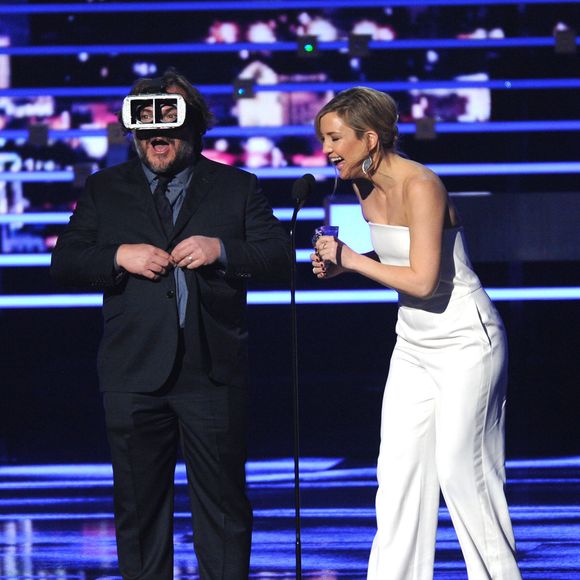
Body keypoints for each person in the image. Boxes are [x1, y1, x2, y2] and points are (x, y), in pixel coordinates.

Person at [51, 70, 291, 580]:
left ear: (196, 124)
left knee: (224, 509)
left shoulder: (236, 186)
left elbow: (279, 256)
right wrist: (119, 255)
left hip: (212, 369)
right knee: (138, 513)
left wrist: (221, 250)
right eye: (145, 124)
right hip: (133, 373)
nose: (157, 136)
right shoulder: (105, 189)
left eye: (170, 120)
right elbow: (66, 261)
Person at [311, 87, 522, 579]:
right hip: (413, 343)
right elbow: (396, 264)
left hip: (466, 340)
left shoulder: (422, 185)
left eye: (335, 137)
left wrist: (352, 260)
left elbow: (426, 280)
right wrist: (345, 268)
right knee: (399, 476)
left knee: (461, 472)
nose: (327, 149)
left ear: (369, 137)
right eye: (323, 139)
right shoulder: (363, 184)